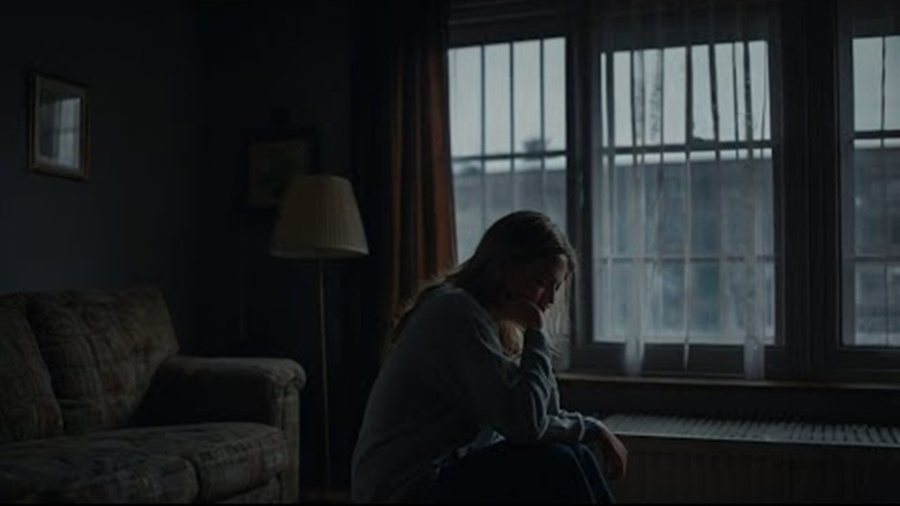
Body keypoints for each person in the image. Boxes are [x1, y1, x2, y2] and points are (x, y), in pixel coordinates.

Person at [351, 210, 627, 503]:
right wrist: (536, 334)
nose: (548, 299)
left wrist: (592, 428)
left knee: (577, 453)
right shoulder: (456, 312)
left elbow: (543, 413)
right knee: (559, 461)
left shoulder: (491, 322)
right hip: (402, 490)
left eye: (555, 287)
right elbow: (525, 425)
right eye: (540, 282)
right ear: (502, 268)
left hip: (442, 472)